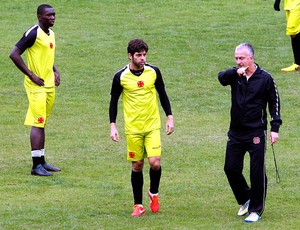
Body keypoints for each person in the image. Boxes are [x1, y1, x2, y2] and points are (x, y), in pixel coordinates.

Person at [109, 38, 174, 217]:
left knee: (155, 163)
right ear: (130, 56)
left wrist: (170, 117)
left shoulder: (154, 72)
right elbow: (113, 101)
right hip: (133, 128)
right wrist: (112, 126)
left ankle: (154, 193)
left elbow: (162, 94)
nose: (143, 58)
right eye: (139, 55)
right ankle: (138, 205)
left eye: (144, 54)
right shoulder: (120, 76)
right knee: (137, 165)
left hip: (152, 125)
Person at [218, 43, 282, 222]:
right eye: (236, 58)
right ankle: (246, 198)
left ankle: (256, 210)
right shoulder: (234, 75)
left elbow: (274, 102)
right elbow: (220, 78)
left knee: (257, 172)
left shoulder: (265, 78)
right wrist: (234, 72)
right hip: (235, 133)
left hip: (256, 132)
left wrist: (274, 128)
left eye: (242, 58)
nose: (239, 61)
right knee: (230, 168)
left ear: (251, 58)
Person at [9, 4, 61, 176]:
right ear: (40, 17)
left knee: (42, 121)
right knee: (37, 122)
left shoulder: (51, 34)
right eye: (49, 15)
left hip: (48, 84)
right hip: (36, 85)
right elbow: (14, 54)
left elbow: (46, 56)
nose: (52, 17)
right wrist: (31, 75)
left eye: (53, 15)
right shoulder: (33, 33)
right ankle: (35, 165)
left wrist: (54, 70)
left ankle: (42, 160)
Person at [274, 0, 300, 72]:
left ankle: (298, 63)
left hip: (297, 3)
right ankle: (298, 63)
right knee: (294, 32)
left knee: (293, 32)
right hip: (289, 4)